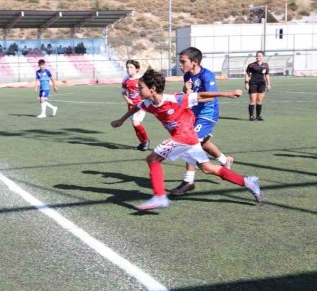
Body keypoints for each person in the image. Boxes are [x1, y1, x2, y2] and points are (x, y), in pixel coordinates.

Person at [110, 69, 263, 211]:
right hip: (189, 139)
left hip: (183, 137)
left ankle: (159, 197)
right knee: (208, 168)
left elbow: (201, 95)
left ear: (152, 89)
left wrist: (228, 93)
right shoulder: (148, 103)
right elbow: (137, 106)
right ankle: (249, 182)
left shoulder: (174, 99)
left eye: (140, 87)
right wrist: (121, 120)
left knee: (153, 159)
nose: (138, 90)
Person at [170, 47, 234, 196]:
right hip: (194, 114)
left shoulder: (207, 75)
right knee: (203, 142)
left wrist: (193, 95)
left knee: (190, 141)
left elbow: (211, 97)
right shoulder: (187, 76)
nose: (180, 64)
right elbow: (188, 95)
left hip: (208, 113)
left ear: (195, 62)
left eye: (183, 61)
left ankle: (188, 181)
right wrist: (186, 91)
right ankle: (225, 160)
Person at [120, 59, 150, 151]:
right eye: (127, 67)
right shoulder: (125, 80)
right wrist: (127, 99)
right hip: (131, 106)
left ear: (137, 69)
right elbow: (123, 92)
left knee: (135, 123)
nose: (129, 69)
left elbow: (147, 91)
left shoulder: (141, 79)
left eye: (131, 67)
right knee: (134, 125)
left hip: (141, 105)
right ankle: (142, 143)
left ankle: (146, 141)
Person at [245, 50, 271, 121]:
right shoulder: (251, 65)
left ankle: (258, 116)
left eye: (259, 56)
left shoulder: (265, 65)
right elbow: (247, 74)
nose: (257, 57)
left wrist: (268, 84)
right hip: (253, 83)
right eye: (257, 56)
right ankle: (251, 116)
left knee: (259, 100)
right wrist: (246, 83)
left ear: (263, 57)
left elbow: (267, 75)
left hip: (262, 84)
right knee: (253, 100)